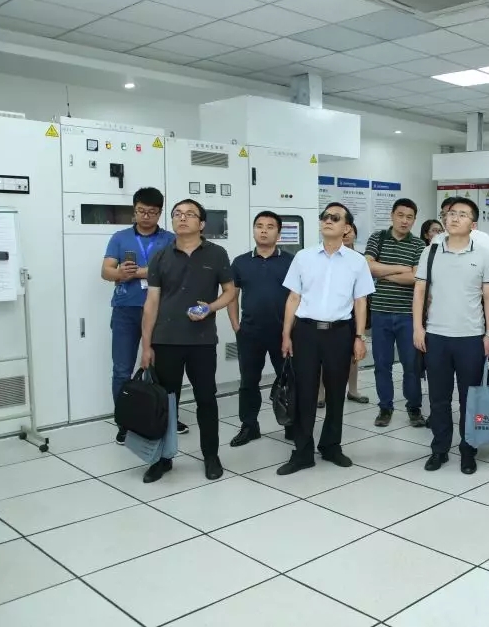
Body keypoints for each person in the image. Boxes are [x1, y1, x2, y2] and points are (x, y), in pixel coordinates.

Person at [140, 199, 236, 483]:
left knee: (206, 399)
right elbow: (151, 303)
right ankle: (163, 458)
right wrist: (146, 346)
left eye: (189, 214)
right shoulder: (160, 256)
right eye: (177, 214)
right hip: (166, 340)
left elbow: (230, 292)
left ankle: (211, 456)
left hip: (201, 340)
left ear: (201, 223)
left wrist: (210, 308)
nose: (182, 218)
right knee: (167, 402)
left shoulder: (217, 254)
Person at [277, 203, 374, 476]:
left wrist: (359, 337)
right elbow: (293, 297)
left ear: (347, 228)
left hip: (340, 333)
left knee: (335, 392)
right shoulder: (303, 257)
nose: (328, 220)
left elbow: (361, 301)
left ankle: (331, 446)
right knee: (305, 392)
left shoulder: (357, 261)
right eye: (325, 217)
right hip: (306, 332)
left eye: (335, 217)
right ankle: (302, 452)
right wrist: (286, 334)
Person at [413, 196, 489, 474]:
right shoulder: (431, 251)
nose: (454, 217)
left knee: (469, 399)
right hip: (436, 336)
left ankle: (468, 450)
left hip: (471, 337)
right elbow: (420, 291)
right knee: (438, 398)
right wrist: (418, 328)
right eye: (450, 213)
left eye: (462, 214)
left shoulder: (483, 254)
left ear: (473, 224)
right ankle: (439, 449)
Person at [102, 188, 178, 444]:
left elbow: (171, 272)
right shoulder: (120, 237)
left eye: (152, 212)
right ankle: (124, 422)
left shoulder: (170, 239)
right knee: (122, 369)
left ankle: (165, 418)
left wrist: (137, 272)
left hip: (162, 312)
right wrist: (119, 273)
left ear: (160, 213)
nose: (146, 216)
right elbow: (106, 271)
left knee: (164, 370)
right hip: (126, 310)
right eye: (141, 211)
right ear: (134, 211)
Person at [226, 211, 293, 447]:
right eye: (259, 226)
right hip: (250, 333)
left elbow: (298, 297)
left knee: (289, 380)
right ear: (254, 230)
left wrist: (291, 331)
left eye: (270, 226)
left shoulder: (290, 261)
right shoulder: (240, 262)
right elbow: (232, 295)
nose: (264, 230)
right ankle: (249, 426)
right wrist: (236, 325)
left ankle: (291, 424)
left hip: (283, 333)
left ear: (279, 233)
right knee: (248, 382)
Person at [365, 198, 426, 428]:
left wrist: (383, 273)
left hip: (408, 314)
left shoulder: (418, 245)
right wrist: (401, 269)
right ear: (392, 215)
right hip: (380, 312)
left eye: (409, 217)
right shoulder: (377, 238)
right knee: (382, 364)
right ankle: (385, 407)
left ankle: (414, 407)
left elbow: (416, 277)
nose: (404, 221)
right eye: (400, 215)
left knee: (411, 365)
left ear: (414, 220)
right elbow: (368, 267)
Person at [318, 223, 369, 409]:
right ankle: (321, 393)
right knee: (323, 356)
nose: (346, 234)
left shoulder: (360, 259)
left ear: (354, 234)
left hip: (354, 313)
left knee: (354, 355)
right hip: (332, 314)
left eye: (350, 231)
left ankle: (353, 390)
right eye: (344, 230)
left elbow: (363, 293)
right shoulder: (324, 256)